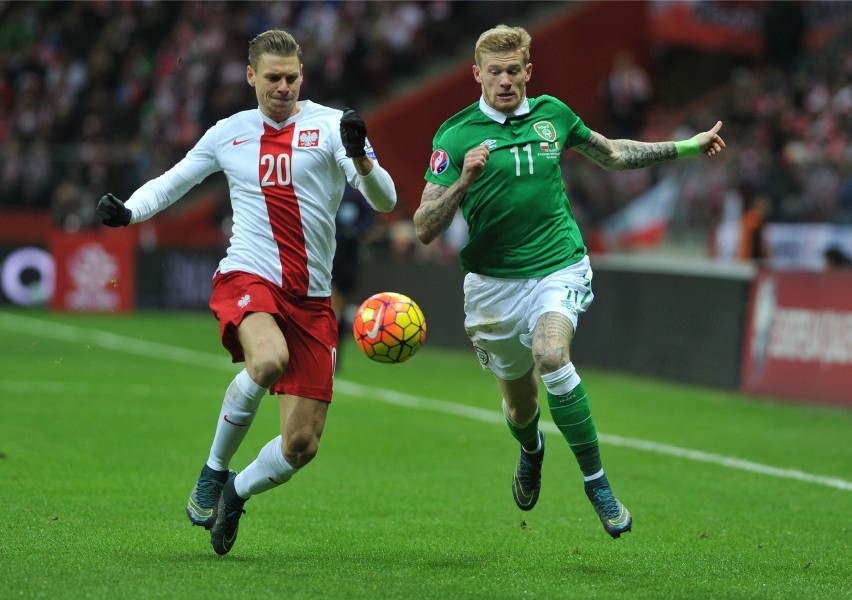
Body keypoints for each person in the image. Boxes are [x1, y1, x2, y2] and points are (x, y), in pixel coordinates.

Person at [414, 25, 725, 539]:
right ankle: (532, 448)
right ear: (477, 75)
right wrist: (464, 181)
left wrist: (688, 146)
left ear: (528, 71)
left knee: (553, 356)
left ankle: (597, 482)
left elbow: (615, 153)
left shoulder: (553, 115)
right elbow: (425, 227)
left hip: (558, 265)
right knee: (520, 405)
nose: (506, 80)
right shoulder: (455, 135)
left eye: (514, 70)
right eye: (496, 72)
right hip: (492, 287)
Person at [96, 29, 397, 555]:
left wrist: (363, 160)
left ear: (302, 77)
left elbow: (386, 200)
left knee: (301, 445)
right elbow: (174, 181)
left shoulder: (331, 126)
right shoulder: (228, 133)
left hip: (312, 299)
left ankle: (235, 492)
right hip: (248, 276)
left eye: (292, 77)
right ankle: (213, 471)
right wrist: (129, 210)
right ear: (250, 76)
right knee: (267, 361)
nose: (283, 87)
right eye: (273, 78)